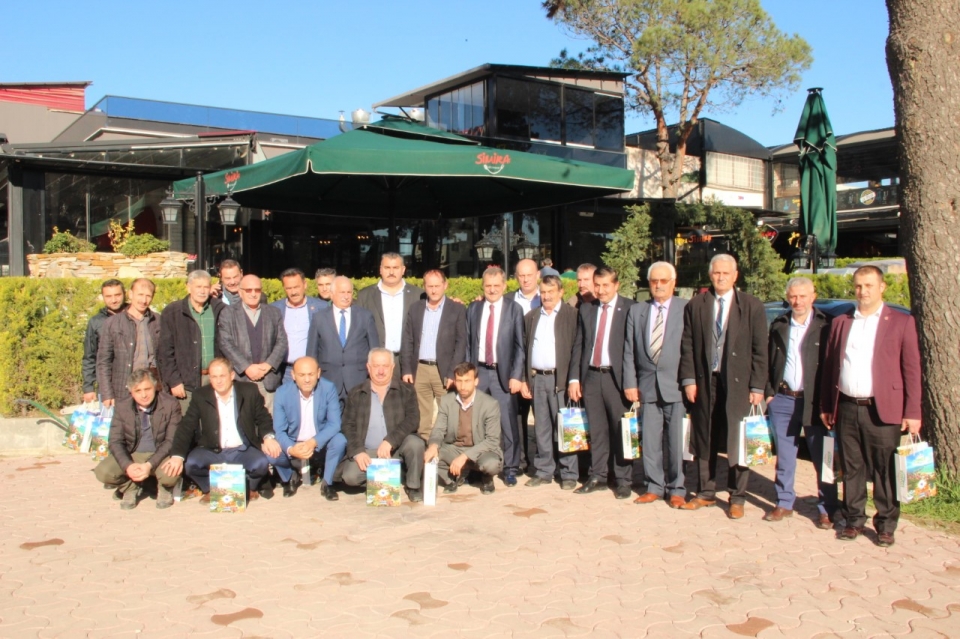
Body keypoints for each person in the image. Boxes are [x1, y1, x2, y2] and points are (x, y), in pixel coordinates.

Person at [820, 265, 921, 547]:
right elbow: (830, 367)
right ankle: (853, 519)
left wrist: (913, 411)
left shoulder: (901, 322)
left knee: (884, 469)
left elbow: (912, 370)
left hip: (883, 409)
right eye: (858, 286)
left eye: (868, 286)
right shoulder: (841, 322)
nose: (862, 291)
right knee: (852, 468)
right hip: (848, 407)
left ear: (882, 287)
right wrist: (828, 405)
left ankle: (886, 524)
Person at [679, 254, 767, 519]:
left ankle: (737, 496)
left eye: (726, 273)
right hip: (706, 381)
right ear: (710, 275)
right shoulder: (697, 305)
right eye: (716, 273)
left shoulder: (751, 306)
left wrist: (758, 386)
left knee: (738, 439)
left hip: (739, 384)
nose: (720, 277)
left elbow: (760, 350)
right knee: (705, 435)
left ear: (735, 275)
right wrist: (689, 379)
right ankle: (705, 492)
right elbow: (688, 345)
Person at [764, 277, 837, 528]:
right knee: (785, 457)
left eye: (803, 296)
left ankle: (827, 508)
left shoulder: (826, 325)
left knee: (821, 457)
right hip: (783, 399)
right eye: (793, 296)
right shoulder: (780, 324)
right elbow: (768, 359)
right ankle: (784, 502)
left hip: (815, 401)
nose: (798, 301)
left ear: (813, 296)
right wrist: (769, 393)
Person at [162, 357, 280, 502]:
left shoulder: (249, 391)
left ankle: (250, 487)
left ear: (231, 375)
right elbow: (186, 426)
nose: (218, 381)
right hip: (212, 450)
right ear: (210, 378)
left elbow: (263, 417)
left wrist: (268, 437)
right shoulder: (201, 395)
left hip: (242, 449)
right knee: (190, 464)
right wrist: (177, 456)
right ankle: (211, 490)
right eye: (214, 377)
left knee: (261, 463)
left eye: (222, 376)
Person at [623, 262, 689, 508]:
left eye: (663, 281)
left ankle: (677, 488)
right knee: (650, 441)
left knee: (676, 442)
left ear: (673, 282)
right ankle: (653, 486)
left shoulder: (686, 309)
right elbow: (629, 349)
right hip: (647, 386)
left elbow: (690, 349)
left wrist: (690, 381)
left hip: (675, 387)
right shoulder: (638, 311)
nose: (659, 285)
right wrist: (630, 382)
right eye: (654, 281)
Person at [568, 266, 636, 499]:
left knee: (621, 430)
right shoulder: (587, 309)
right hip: (591, 376)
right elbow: (579, 345)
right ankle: (597, 475)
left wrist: (632, 382)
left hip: (617, 379)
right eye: (597, 285)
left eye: (606, 285)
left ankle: (624, 479)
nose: (601, 290)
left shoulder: (630, 309)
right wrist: (574, 378)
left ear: (616, 285)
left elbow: (633, 348)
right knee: (596, 430)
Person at [336, 349, 425, 502]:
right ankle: (388, 479)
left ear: (392, 367)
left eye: (385, 366)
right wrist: (358, 452)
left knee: (415, 444)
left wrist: (391, 440)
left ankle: (413, 486)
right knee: (350, 477)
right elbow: (348, 425)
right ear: (368, 367)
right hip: (369, 453)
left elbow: (413, 419)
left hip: (396, 451)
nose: (381, 371)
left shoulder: (406, 390)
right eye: (376, 366)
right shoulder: (356, 393)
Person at [466, 267, 525, 487]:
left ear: (504, 286)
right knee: (477, 423)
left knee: (508, 423)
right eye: (488, 286)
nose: (492, 290)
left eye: (496, 286)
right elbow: (468, 343)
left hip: (504, 375)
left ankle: (510, 467)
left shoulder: (514, 309)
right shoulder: (473, 308)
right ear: (483, 286)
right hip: (480, 373)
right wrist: (469, 374)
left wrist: (516, 375)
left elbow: (520, 346)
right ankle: (479, 467)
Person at [520, 275, 578, 489]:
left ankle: (569, 473)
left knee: (565, 426)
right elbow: (525, 350)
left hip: (560, 380)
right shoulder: (532, 316)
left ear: (560, 292)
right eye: (543, 292)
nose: (546, 296)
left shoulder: (572, 316)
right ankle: (544, 470)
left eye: (550, 292)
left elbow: (576, 350)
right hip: (538, 379)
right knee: (542, 427)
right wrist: (526, 378)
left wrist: (573, 379)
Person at [94, 369, 181, 510]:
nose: (144, 395)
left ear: (155, 387)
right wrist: (128, 465)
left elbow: (171, 440)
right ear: (131, 392)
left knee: (171, 474)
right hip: (133, 453)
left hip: (161, 454)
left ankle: (164, 489)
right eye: (138, 391)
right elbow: (115, 441)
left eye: (147, 389)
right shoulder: (122, 406)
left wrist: (149, 465)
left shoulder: (170, 404)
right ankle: (130, 487)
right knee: (103, 472)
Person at [400, 269, 467, 441]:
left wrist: (454, 371)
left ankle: (445, 451)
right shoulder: (415, 309)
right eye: (430, 286)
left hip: (443, 369)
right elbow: (408, 340)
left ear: (445, 285)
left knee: (447, 412)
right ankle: (424, 452)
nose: (434, 290)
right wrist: (407, 369)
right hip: (420, 368)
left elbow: (461, 342)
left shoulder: (457, 309)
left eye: (437, 286)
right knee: (422, 415)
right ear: (425, 287)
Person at [269, 357, 346, 500]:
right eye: (301, 375)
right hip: (294, 442)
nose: (306, 380)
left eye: (310, 374)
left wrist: (313, 442)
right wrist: (291, 448)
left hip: (318, 443)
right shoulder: (282, 393)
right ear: (293, 375)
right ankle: (289, 479)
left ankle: (327, 483)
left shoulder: (328, 388)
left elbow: (335, 424)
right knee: (271, 451)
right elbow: (279, 430)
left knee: (340, 440)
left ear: (318, 373)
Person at [425, 362, 502, 495]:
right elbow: (438, 430)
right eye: (459, 381)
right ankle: (452, 479)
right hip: (455, 448)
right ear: (454, 381)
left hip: (480, 449)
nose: (463, 386)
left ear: (476, 381)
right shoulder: (447, 401)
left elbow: (492, 440)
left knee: (491, 464)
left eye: (467, 381)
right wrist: (433, 445)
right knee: (429, 456)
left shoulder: (490, 404)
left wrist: (465, 456)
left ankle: (486, 478)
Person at [217, 274, 288, 413]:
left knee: (269, 425)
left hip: (268, 379)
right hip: (242, 378)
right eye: (249, 290)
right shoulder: (228, 313)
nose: (253, 294)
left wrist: (268, 365)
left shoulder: (274, 312)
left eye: (257, 290)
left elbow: (282, 341)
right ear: (240, 291)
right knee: (244, 422)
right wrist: (246, 367)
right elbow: (226, 343)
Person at [158, 270, 226, 413]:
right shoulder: (172, 312)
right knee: (189, 427)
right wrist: (174, 381)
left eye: (206, 287)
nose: (202, 291)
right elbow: (165, 352)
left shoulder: (220, 309)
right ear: (188, 287)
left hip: (216, 380)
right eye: (198, 287)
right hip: (187, 381)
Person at [306, 276, 379, 400]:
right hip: (329, 380)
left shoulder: (365, 316)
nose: (346, 296)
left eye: (349, 292)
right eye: (342, 292)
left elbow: (375, 350)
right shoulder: (319, 318)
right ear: (332, 294)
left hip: (358, 380)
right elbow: (311, 352)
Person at [356, 253, 424, 376]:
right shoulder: (364, 295)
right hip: (376, 363)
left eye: (395, 268)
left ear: (403, 270)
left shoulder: (418, 295)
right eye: (387, 268)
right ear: (380, 270)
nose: (391, 272)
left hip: (407, 362)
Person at [97, 278, 161, 407]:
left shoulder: (158, 321)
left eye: (148, 296)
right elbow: (103, 361)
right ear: (131, 294)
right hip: (123, 388)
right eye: (140, 295)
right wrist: (107, 393)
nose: (144, 300)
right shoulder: (112, 323)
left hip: (152, 386)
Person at [504, 258, 541, 474]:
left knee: (543, 420)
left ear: (537, 275)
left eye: (529, 274)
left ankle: (543, 462)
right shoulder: (507, 300)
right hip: (515, 371)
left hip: (539, 370)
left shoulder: (546, 298)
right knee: (517, 419)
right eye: (521, 275)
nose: (526, 279)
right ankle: (519, 461)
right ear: (516, 277)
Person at [271, 268, 329, 384]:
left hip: (311, 370)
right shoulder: (274, 309)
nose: (293, 292)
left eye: (296, 287)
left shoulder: (321, 307)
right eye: (289, 288)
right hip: (285, 371)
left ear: (305, 285)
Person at [82, 279, 126, 404]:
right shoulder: (96, 322)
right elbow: (89, 356)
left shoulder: (134, 316)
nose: (114, 300)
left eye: (117, 295)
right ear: (103, 297)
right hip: (107, 384)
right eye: (109, 296)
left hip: (134, 382)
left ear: (125, 294)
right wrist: (88, 387)